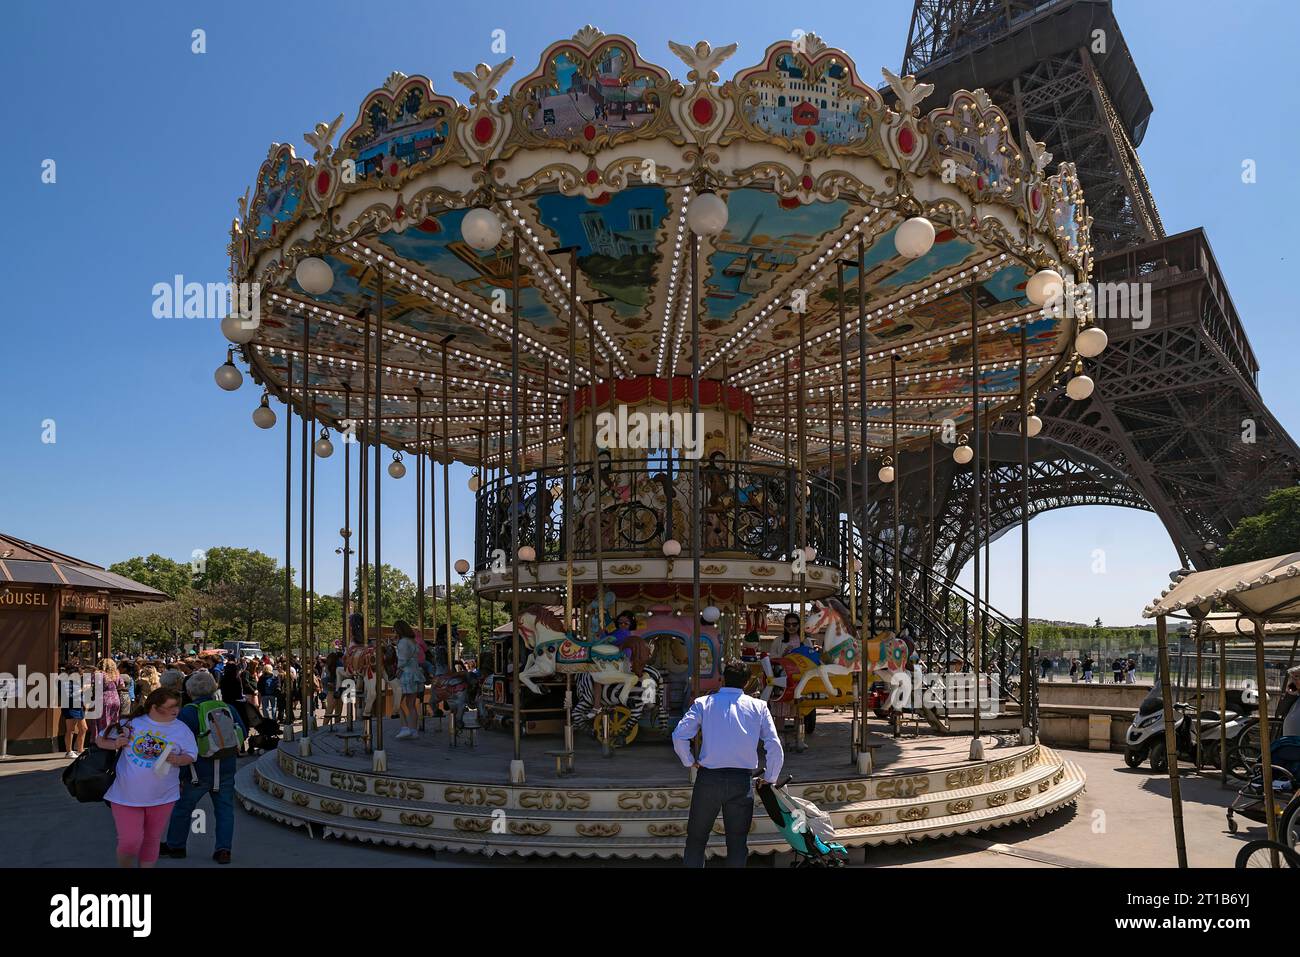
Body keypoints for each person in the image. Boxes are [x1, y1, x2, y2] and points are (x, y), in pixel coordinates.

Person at [671, 659, 784, 867]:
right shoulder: (759, 706)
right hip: (741, 781)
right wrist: (770, 779)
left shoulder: (704, 703)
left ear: (722, 679)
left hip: (708, 779)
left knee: (696, 839)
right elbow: (774, 745)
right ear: (747, 682)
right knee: (737, 842)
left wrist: (690, 762)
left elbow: (679, 736)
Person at [96, 688, 198, 868]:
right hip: (125, 795)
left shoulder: (181, 728)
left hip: (163, 796)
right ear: (154, 707)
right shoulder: (131, 723)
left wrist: (178, 759)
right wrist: (115, 744)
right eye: (171, 706)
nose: (176, 710)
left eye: (178, 706)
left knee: (152, 839)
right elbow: (99, 739)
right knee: (130, 842)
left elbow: (191, 755)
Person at [162, 670, 246, 864]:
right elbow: (242, 732)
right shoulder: (228, 708)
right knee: (225, 810)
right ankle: (224, 849)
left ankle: (176, 845)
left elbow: (178, 745)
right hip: (225, 768)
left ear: (190, 691)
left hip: (196, 772)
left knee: (183, 807)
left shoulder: (188, 712)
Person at [393, 620, 425, 740]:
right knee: (411, 704)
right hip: (415, 674)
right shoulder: (413, 641)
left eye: (395, 629)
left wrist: (397, 670)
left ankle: (404, 727)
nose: (394, 632)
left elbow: (402, 660)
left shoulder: (402, 642)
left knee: (397, 703)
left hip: (406, 675)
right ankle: (413, 730)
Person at [60, 664, 88, 758]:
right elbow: (68, 695)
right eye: (80, 674)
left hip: (78, 706)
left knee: (84, 728)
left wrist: (84, 703)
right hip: (70, 707)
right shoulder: (65, 682)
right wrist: (82, 690)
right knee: (70, 730)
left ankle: (80, 749)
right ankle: (69, 751)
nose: (81, 675)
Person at [94, 658, 127, 736]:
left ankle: (102, 738)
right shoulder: (116, 674)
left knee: (103, 720)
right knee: (114, 720)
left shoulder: (100, 674)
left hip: (104, 698)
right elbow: (122, 685)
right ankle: (112, 737)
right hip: (115, 698)